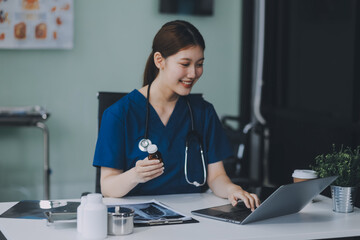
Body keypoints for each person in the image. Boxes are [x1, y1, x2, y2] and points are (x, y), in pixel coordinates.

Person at [93, 20, 260, 211]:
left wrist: (233, 189)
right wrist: (135, 175)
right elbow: (107, 187)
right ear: (159, 60)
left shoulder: (203, 112)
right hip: (137, 217)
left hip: (193, 215)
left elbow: (216, 177)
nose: (193, 73)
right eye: (185, 63)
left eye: (199, 64)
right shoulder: (118, 114)